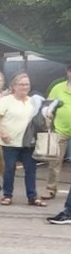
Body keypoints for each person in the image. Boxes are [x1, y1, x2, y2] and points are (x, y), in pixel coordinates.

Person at [0, 72, 40, 206]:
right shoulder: (5, 100)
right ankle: (7, 195)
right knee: (9, 169)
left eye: (27, 84)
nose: (25, 87)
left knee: (31, 169)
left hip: (28, 142)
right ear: (14, 86)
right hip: (10, 141)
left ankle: (32, 196)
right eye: (22, 84)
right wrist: (2, 132)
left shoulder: (33, 101)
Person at [45, 65, 71, 202]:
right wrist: (48, 112)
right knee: (54, 162)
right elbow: (48, 105)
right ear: (68, 72)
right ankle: (50, 189)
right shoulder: (58, 88)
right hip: (60, 129)